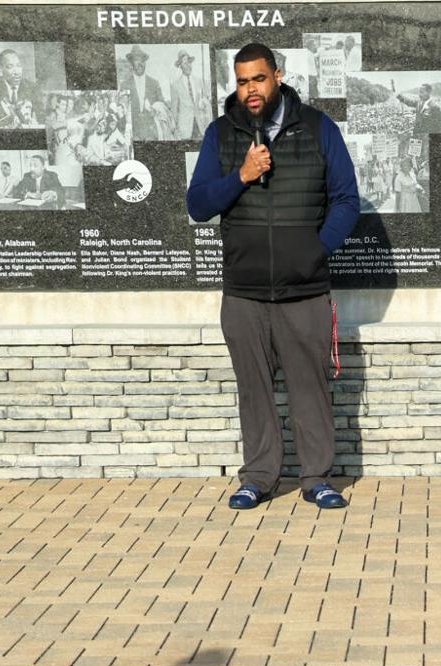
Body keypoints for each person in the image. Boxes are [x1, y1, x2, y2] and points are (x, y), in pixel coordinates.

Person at [186, 42, 360, 512]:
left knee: (310, 387)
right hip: (243, 293)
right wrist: (240, 174)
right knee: (254, 391)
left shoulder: (319, 129)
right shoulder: (221, 134)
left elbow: (346, 200)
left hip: (304, 290)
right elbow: (198, 205)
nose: (250, 90)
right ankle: (259, 477)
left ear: (277, 76)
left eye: (258, 79)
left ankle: (317, 477)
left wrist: (314, 251)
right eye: (242, 82)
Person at [0, 49, 39, 128]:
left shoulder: (32, 87)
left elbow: (42, 115)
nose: (16, 72)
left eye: (18, 65)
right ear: (1, 69)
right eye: (10, 67)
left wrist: (36, 123)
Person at [120, 46, 171, 140]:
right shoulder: (125, 85)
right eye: (136, 60)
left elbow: (161, 104)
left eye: (142, 60)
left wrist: (155, 111)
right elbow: (123, 111)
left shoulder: (154, 83)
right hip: (134, 134)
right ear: (131, 63)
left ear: (145, 63)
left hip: (151, 133)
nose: (140, 63)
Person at [170, 49, 210, 141]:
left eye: (189, 62)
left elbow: (205, 102)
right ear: (180, 66)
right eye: (184, 63)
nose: (188, 66)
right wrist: (175, 129)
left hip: (200, 127)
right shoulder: (175, 85)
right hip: (184, 129)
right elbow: (174, 110)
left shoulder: (199, 82)